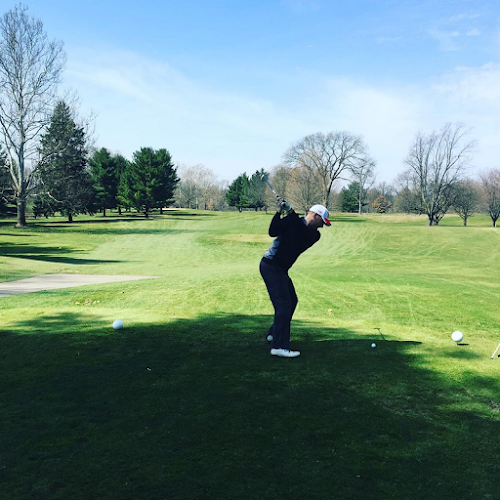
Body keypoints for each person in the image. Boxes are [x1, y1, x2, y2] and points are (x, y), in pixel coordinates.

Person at [260, 199, 330, 358]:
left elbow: (301, 231)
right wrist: (279, 212)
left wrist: (291, 211)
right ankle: (278, 346)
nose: (322, 226)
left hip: (279, 268)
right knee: (284, 304)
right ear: (315, 216)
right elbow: (273, 231)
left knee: (291, 300)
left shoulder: (314, 235)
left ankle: (274, 334)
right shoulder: (292, 221)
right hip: (270, 265)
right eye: (322, 222)